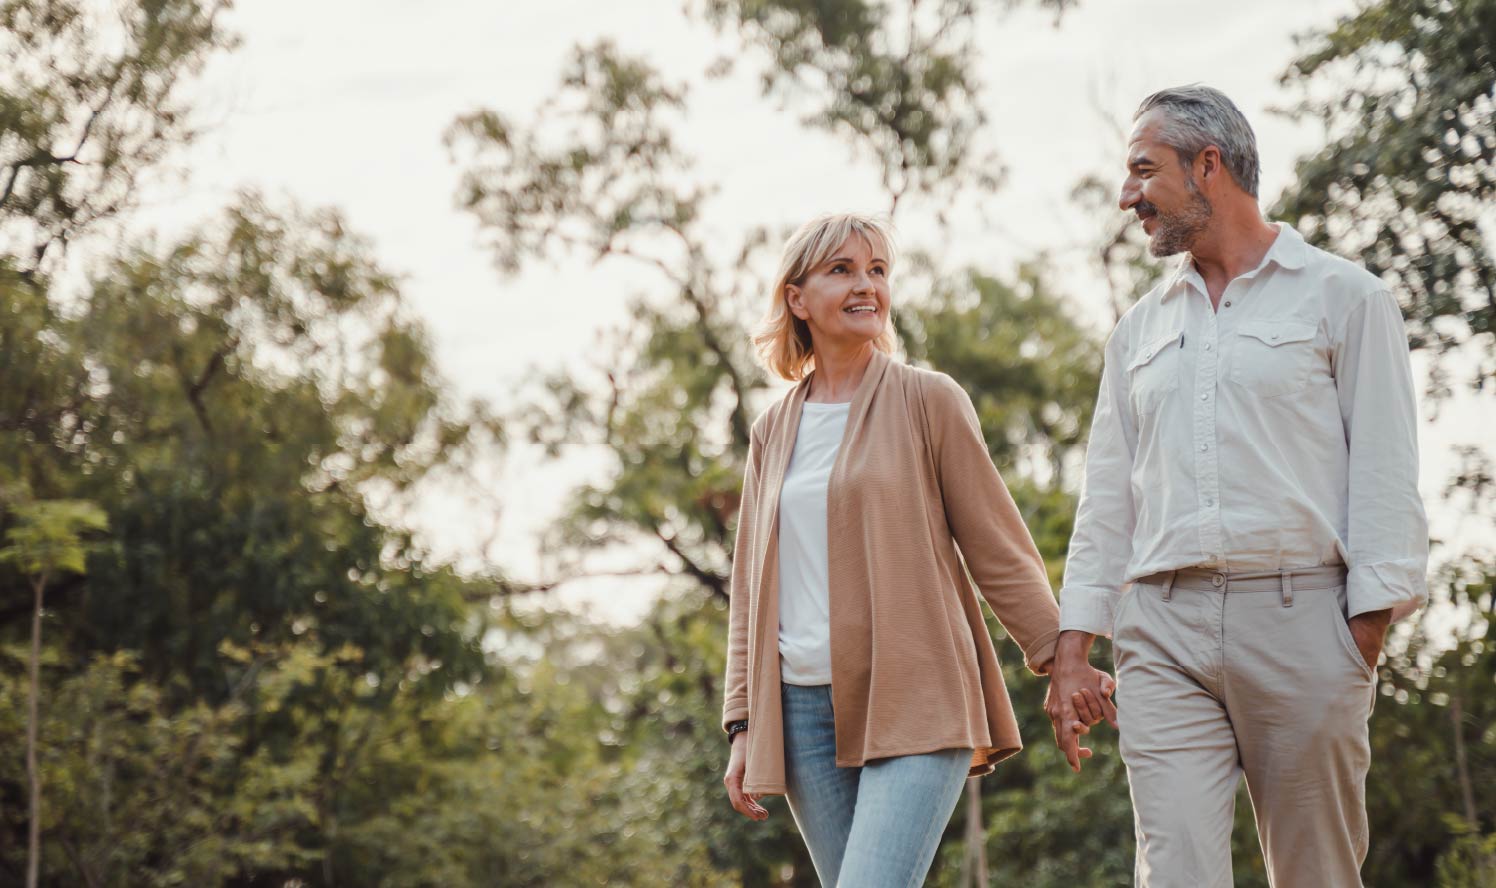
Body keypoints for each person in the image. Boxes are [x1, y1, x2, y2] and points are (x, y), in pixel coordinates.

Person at [1048, 86, 1429, 887]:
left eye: (1143, 172)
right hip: (1161, 632)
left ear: (1208, 166)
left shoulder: (1345, 297)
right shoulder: (1137, 333)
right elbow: (1107, 498)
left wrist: (1361, 632)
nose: (1128, 197)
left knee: (1315, 873)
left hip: (1303, 624)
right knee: (1176, 872)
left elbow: (1388, 473)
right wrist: (1073, 648)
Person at [720, 212, 1106, 887]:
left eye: (877, 271)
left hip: (918, 694)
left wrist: (1061, 657)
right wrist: (744, 723)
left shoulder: (929, 400)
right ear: (797, 299)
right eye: (842, 270)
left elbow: (998, 546)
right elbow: (752, 589)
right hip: (805, 713)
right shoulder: (771, 431)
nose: (866, 285)